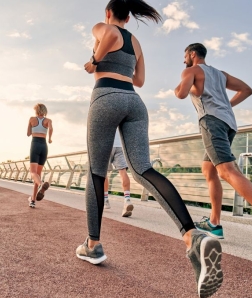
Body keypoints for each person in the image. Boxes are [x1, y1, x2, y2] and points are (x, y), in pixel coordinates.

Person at [77, 2, 223, 297]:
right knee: (143, 169)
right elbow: (139, 81)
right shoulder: (137, 42)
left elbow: (106, 38)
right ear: (129, 16)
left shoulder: (103, 27)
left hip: (106, 95)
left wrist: (94, 61)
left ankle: (93, 245)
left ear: (108, 13)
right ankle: (192, 235)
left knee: (96, 171)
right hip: (134, 103)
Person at [174, 43, 252, 260]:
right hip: (228, 123)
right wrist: (227, 105)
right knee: (209, 169)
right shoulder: (220, 74)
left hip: (211, 122)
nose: (183, 59)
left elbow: (180, 94)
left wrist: (181, 83)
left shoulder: (191, 70)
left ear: (192, 54)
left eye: (185, 55)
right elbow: (247, 90)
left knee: (226, 171)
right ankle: (214, 223)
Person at [26, 103, 53, 208]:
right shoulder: (48, 121)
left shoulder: (32, 119)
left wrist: (31, 127)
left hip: (35, 144)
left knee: (33, 172)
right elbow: (50, 129)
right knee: (37, 174)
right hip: (44, 146)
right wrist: (50, 138)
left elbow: (28, 133)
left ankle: (41, 185)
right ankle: (33, 200)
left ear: (36, 111)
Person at [103, 129, 133, 217]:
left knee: (103, 173)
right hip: (120, 145)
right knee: (123, 172)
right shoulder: (120, 114)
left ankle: (105, 200)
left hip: (107, 144)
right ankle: (127, 199)